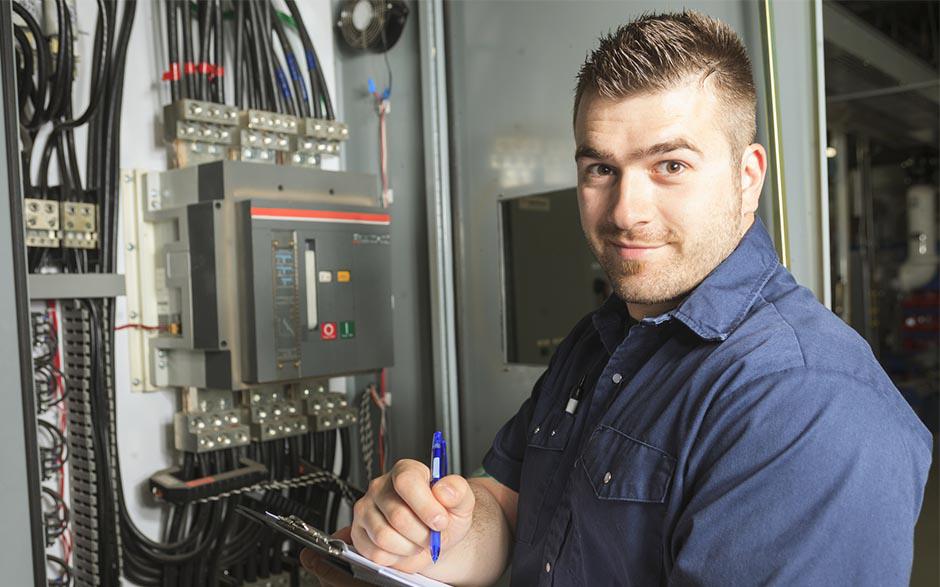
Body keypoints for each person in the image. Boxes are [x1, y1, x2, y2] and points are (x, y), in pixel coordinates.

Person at [302, 10, 932, 586]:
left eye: (671, 166)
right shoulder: (602, 340)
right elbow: (517, 509)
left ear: (748, 177)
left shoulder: (805, 402)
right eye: (600, 168)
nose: (626, 212)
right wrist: (443, 533)